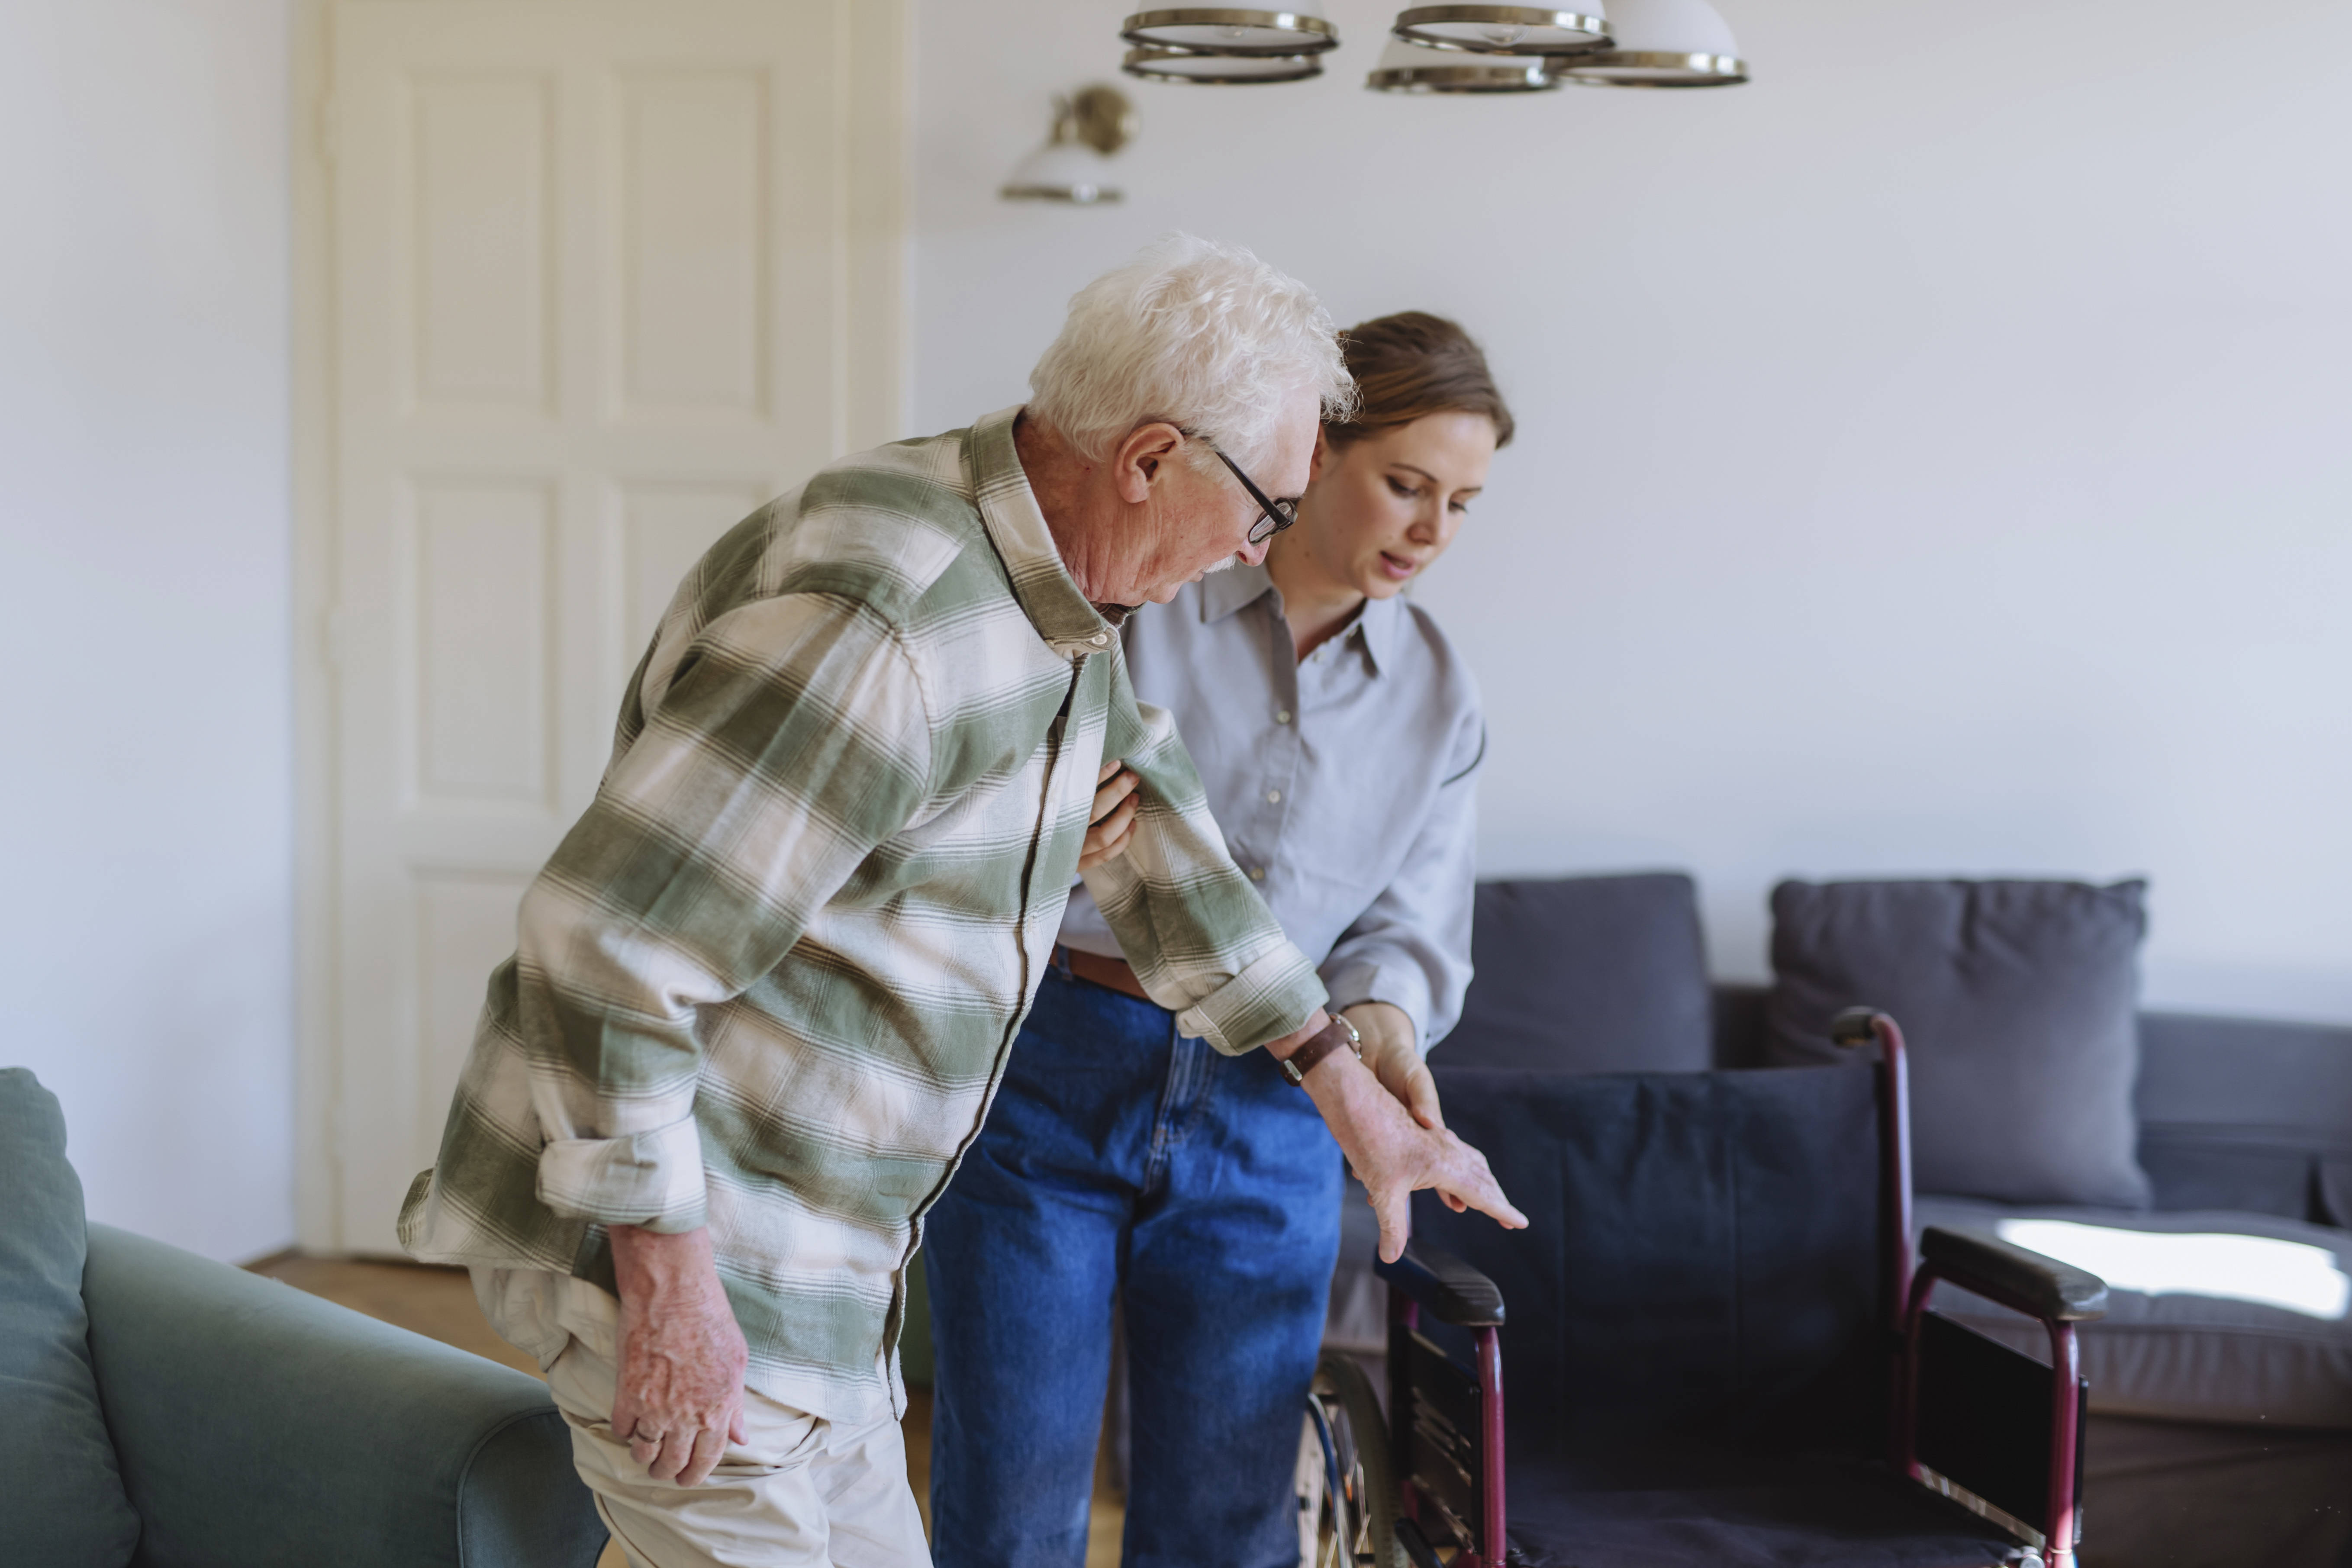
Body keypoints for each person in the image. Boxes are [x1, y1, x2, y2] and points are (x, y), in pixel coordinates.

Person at [396, 241, 1524, 1568]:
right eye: (1266, 507)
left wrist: (1347, 1089)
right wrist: (669, 1290)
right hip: (702, 1253)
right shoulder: (891, 623)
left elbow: (1161, 837)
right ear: (1152, 458)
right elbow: (606, 949)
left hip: (824, 1278)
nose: (1250, 548)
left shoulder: (1046, 577)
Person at [924, 312, 1514, 1568]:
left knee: (1228, 1524)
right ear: (1311, 451)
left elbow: (1410, 927)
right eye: (1404, 485)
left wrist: (1387, 1037)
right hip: (1053, 1069)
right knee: (1011, 1500)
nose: (1430, 531)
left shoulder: (1441, 698)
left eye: (1462, 503)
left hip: (1277, 1111)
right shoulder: (1141, 587)